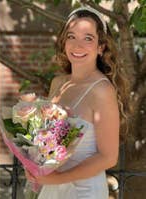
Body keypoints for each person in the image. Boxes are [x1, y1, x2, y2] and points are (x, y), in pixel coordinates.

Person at [25, 6, 130, 199]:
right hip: (51, 187)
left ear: (101, 47)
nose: (77, 45)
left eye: (88, 38)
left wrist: (58, 178)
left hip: (84, 191)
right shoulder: (58, 83)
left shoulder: (102, 90)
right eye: (71, 36)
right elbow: (49, 139)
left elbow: (108, 157)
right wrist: (33, 162)